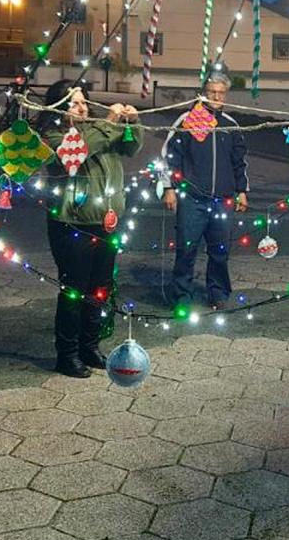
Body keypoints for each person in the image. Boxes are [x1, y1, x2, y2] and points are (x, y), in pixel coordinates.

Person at [41, 80, 142, 378]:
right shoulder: (52, 136)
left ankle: (90, 345)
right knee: (75, 291)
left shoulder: (101, 129)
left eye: (84, 101)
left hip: (106, 222)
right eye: (74, 103)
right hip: (72, 225)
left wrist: (133, 124)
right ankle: (67, 354)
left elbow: (131, 147)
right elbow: (74, 155)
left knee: (100, 289)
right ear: (58, 110)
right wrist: (109, 123)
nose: (82, 107)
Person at [161, 72, 249, 311]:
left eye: (221, 93)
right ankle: (181, 295)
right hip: (191, 198)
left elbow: (238, 161)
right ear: (203, 93)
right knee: (186, 249)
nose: (217, 97)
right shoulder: (187, 120)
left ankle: (218, 292)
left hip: (223, 200)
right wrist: (169, 187)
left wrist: (242, 190)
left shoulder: (230, 125)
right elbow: (170, 156)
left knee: (220, 251)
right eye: (212, 92)